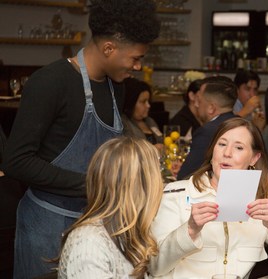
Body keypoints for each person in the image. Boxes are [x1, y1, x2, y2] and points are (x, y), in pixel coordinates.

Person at [2, 0, 160, 277]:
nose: (138, 67)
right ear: (109, 48)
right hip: (47, 223)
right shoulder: (50, 82)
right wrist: (93, 185)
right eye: (135, 58)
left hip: (97, 223)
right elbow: (16, 161)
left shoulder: (115, 88)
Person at [149, 118, 268, 279]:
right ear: (213, 151)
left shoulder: (261, 199)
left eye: (239, 148)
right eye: (221, 144)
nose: (227, 153)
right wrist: (190, 229)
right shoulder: (176, 193)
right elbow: (154, 266)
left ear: (254, 159)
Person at [57, 137, 163, 278]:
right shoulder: (89, 244)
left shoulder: (124, 230)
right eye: (158, 175)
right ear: (140, 187)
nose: (162, 184)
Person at [177, 76, 238, 180]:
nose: (196, 104)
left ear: (211, 108)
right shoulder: (244, 125)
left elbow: (185, 177)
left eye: (199, 101)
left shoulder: (207, 132)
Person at [122, 78, 163, 152]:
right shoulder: (124, 124)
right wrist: (152, 150)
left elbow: (161, 140)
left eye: (148, 101)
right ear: (131, 103)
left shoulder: (150, 121)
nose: (148, 105)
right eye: (143, 102)